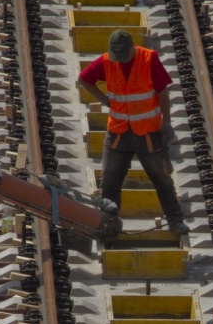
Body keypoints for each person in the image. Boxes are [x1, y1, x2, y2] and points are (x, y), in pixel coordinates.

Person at [78, 30, 189, 235]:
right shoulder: (106, 61)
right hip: (119, 132)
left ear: (132, 48)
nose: (118, 61)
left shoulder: (149, 59)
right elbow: (84, 79)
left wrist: (167, 123)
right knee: (109, 179)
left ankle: (175, 220)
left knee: (161, 177)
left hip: (148, 133)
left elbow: (162, 93)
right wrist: (103, 99)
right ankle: (108, 225)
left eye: (122, 56)